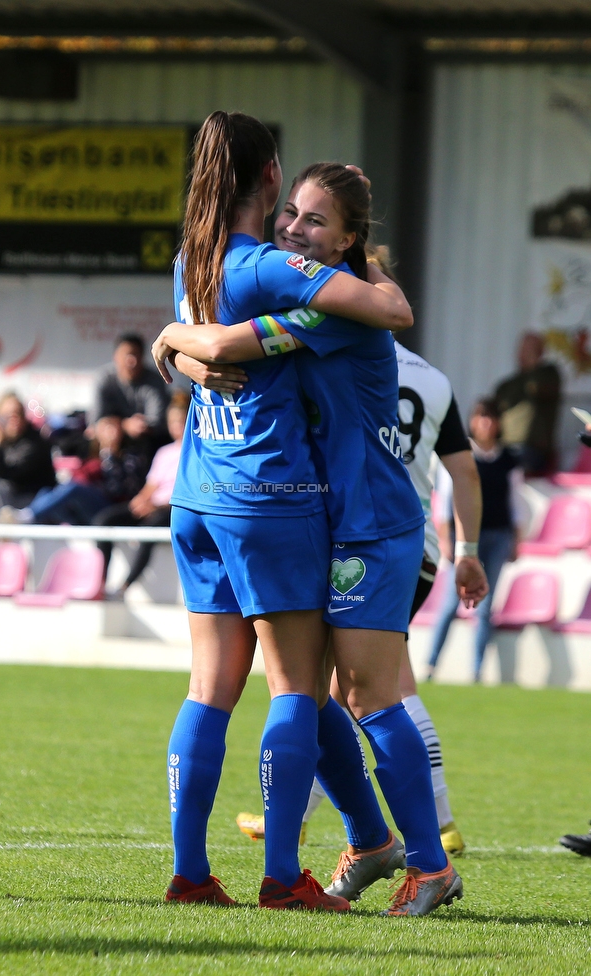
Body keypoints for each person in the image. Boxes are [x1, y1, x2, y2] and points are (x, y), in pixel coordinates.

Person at [155, 160, 481, 915]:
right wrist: (181, 350)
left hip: (374, 525)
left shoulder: (334, 314)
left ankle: (430, 865)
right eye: (292, 214)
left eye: (315, 222)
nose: (295, 230)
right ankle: (373, 843)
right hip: (330, 519)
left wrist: (172, 336)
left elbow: (227, 345)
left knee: (365, 695)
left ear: (350, 239)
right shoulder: (328, 295)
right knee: (321, 693)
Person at [237, 330, 487, 857]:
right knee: (378, 683)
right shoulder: (434, 378)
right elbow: (463, 470)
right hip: (412, 544)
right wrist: (466, 548)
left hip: (365, 536)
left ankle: (296, 817)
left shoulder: (341, 358)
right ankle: (438, 823)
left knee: (341, 688)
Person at [427, 398, 521, 683]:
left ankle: (477, 670)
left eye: (491, 417)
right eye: (481, 416)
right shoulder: (458, 452)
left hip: (497, 536)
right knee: (448, 605)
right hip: (463, 541)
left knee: (485, 607)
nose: (486, 423)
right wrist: (446, 538)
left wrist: (516, 538)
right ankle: (430, 665)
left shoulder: (508, 459)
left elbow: (515, 502)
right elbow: (445, 501)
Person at [93, 392, 189, 595]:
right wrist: (139, 501)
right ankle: (100, 580)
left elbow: (186, 492)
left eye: (181, 421)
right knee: (105, 520)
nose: (177, 426)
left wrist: (155, 506)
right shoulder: (164, 452)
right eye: (173, 422)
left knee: (150, 527)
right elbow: (151, 485)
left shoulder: (195, 451)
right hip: (153, 505)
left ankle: (126, 585)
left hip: (173, 509)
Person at [0, 416, 144, 525]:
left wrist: (111, 457)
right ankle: (29, 519)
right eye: (105, 429)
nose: (109, 433)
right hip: (86, 511)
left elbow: (117, 489)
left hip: (112, 509)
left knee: (73, 488)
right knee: (46, 492)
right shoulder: (93, 456)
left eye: (112, 428)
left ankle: (28, 516)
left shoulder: (127, 458)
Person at [493, 332, 561, 476]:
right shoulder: (507, 384)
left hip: (533, 450)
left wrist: (533, 363)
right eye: (522, 348)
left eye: (531, 349)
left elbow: (535, 387)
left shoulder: (550, 375)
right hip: (503, 446)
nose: (524, 353)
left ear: (541, 352)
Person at [93, 332, 171, 457]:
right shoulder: (104, 378)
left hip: (146, 442)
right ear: (116, 356)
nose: (132, 361)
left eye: (136, 355)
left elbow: (157, 421)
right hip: (109, 436)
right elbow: (96, 420)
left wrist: (128, 426)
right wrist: (123, 425)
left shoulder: (154, 380)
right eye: (127, 355)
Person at [0, 392, 56, 512]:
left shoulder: (34, 442)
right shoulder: (6, 441)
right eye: (8, 416)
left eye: (18, 414)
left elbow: (4, 474)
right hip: (12, 497)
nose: (14, 420)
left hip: (34, 500)